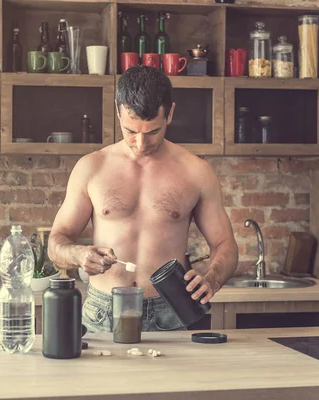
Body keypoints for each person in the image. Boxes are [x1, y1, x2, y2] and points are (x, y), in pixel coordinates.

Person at [48, 65, 239, 333]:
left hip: (172, 311)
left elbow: (225, 244)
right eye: (130, 131)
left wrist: (212, 279)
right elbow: (57, 242)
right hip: (104, 310)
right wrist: (78, 254)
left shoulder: (196, 171)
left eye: (152, 132)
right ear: (118, 112)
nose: (140, 143)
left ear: (170, 113)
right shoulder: (91, 167)